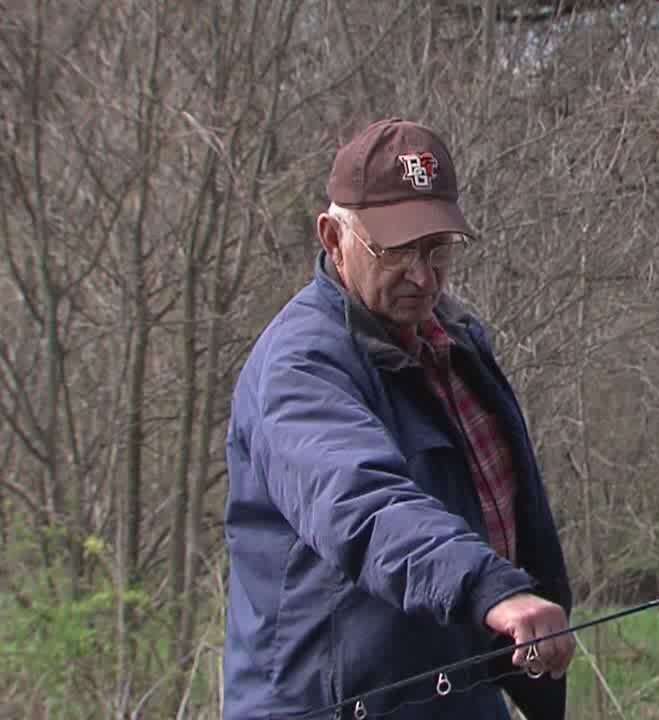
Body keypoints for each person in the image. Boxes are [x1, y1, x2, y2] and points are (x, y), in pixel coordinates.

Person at [223, 116, 575, 720]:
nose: (423, 275)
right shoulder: (298, 367)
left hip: (451, 691)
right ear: (333, 238)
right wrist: (487, 589)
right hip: (328, 705)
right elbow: (362, 503)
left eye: (436, 249)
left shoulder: (455, 340)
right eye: (395, 251)